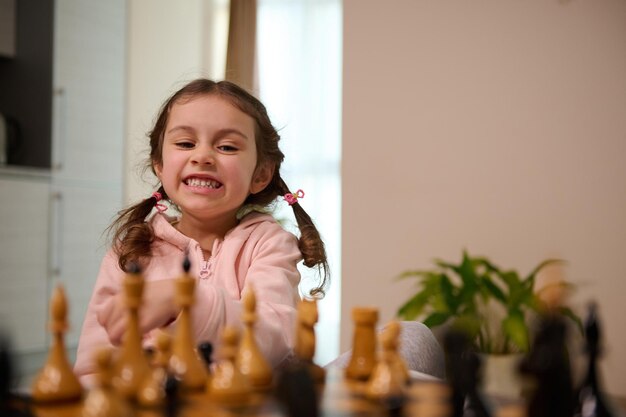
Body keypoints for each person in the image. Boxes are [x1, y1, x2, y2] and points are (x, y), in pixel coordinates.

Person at [74, 79, 329, 385]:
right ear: (159, 163)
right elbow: (93, 368)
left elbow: (273, 338)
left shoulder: (269, 244)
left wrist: (185, 299)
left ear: (261, 174)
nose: (203, 156)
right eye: (185, 143)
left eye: (227, 147)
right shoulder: (131, 251)